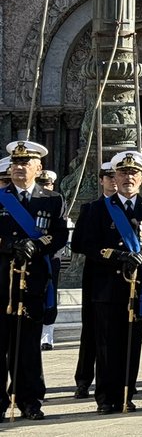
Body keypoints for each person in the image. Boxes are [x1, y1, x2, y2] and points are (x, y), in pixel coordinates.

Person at [75, 150, 142, 414]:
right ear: (115, 176)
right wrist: (117, 256)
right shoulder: (97, 209)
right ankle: (106, 397)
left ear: (141, 177)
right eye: (123, 173)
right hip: (107, 286)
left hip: (137, 287)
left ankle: (127, 393)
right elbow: (84, 243)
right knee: (106, 344)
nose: (128, 178)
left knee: (131, 343)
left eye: (133, 173)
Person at [0, 138, 67, 419]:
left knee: (28, 345)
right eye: (16, 162)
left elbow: (60, 235)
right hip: (3, 281)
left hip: (34, 281)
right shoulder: (1, 197)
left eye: (26, 162)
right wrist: (9, 245)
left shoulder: (52, 199)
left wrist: (37, 245)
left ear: (38, 167)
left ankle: (30, 401)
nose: (19, 167)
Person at [73, 161, 116, 399]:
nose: (113, 181)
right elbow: (78, 243)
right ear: (101, 181)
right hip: (97, 275)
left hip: (122, 276)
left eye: (115, 176)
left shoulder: (131, 208)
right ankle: (83, 379)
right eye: (108, 177)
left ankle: (115, 380)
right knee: (90, 330)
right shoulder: (90, 209)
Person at [34, 168, 62, 352]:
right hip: (31, 255)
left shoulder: (56, 200)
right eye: (41, 183)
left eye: (48, 184)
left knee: (50, 293)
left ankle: (47, 335)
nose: (45, 187)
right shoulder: (31, 199)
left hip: (50, 255)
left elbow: (59, 230)